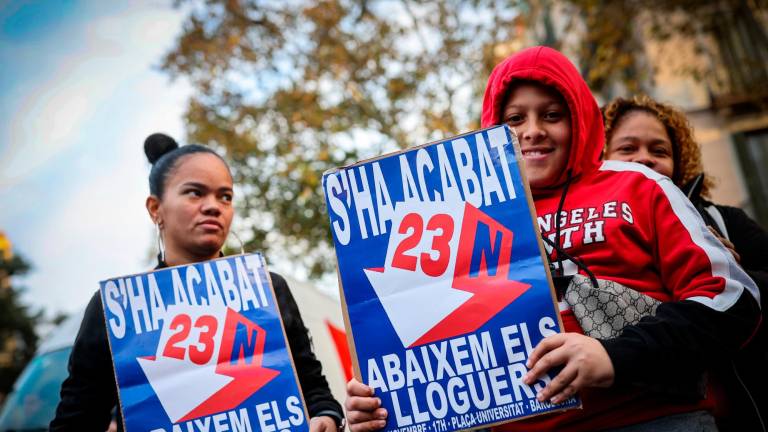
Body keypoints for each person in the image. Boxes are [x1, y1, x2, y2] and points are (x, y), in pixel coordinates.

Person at [345, 46, 760, 431]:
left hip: (652, 420)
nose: (532, 132)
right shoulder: (453, 218)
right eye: (514, 119)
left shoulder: (639, 185)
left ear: (579, 117)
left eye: (551, 115)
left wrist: (613, 357)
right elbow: (428, 362)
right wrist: (382, 408)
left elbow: (732, 300)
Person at [51, 134, 344, 431]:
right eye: (195, 193)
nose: (214, 206)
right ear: (155, 208)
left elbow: (314, 388)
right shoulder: (116, 307)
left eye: (225, 196)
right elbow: (76, 419)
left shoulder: (269, 288)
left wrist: (327, 416)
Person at [604, 95, 768, 431]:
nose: (644, 159)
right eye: (627, 148)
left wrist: (731, 276)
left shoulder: (724, 221)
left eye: (659, 151)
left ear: (680, 163)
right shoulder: (585, 237)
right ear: (601, 156)